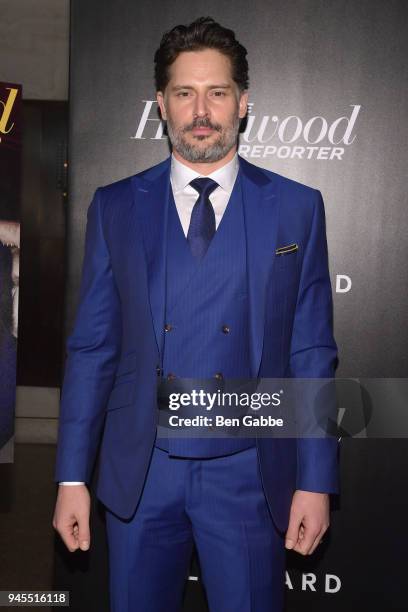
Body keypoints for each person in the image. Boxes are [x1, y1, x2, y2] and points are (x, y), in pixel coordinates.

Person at [53, 16, 339, 612]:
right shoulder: (115, 207)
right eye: (184, 93)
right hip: (140, 472)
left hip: (249, 477)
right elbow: (93, 350)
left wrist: (315, 479)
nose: (200, 110)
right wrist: (72, 476)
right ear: (162, 103)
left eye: (217, 92)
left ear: (243, 102)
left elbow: (311, 352)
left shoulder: (296, 208)